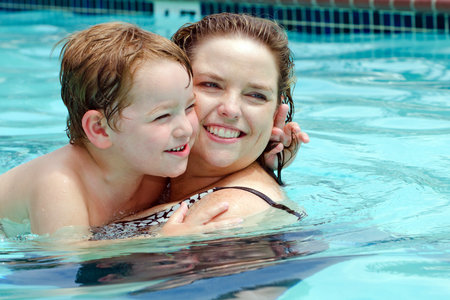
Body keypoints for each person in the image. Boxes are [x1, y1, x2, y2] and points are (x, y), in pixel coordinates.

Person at [0, 22, 237, 236]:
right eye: (162, 116)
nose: (185, 129)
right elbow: (66, 263)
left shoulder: (155, 163)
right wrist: (162, 239)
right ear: (100, 129)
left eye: (189, 107)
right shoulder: (59, 185)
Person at [92, 13, 310, 239]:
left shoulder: (229, 213)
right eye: (211, 85)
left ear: (275, 114)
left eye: (256, 95)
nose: (231, 109)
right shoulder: (147, 174)